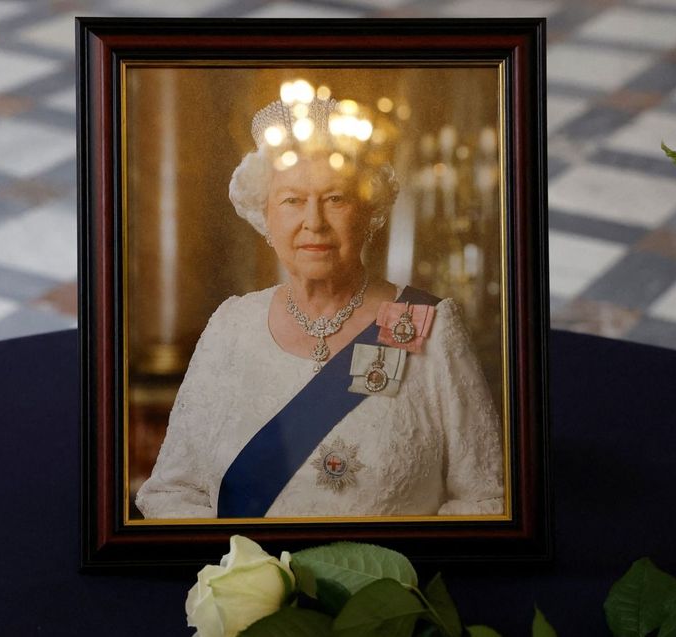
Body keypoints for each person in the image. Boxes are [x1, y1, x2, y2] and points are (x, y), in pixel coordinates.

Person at [136, 84, 503, 519]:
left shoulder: (428, 324)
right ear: (265, 217)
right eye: (292, 200)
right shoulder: (231, 325)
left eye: (336, 199)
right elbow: (171, 492)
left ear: (369, 214)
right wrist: (244, 577)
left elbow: (485, 499)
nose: (314, 222)